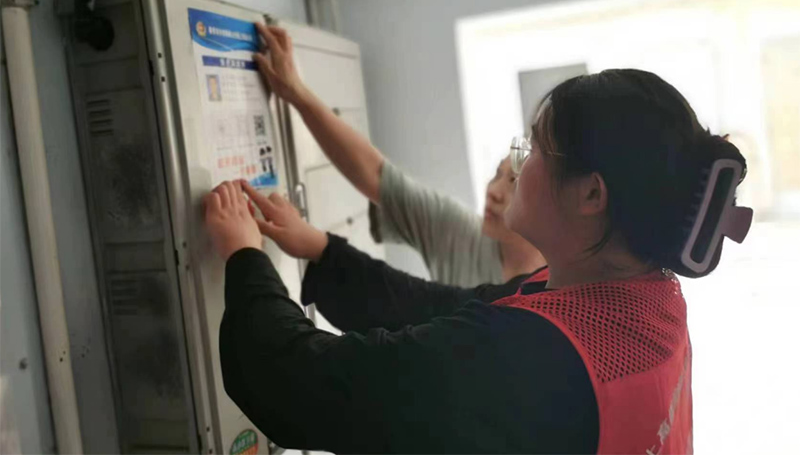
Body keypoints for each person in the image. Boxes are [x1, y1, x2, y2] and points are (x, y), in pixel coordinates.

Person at [207, 69, 751, 453]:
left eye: (534, 149)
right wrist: (325, 252)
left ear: (591, 194)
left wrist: (244, 254)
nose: (517, 166)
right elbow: (441, 307)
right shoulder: (645, 303)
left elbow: (296, 383)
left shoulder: (529, 357)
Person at [253, 23, 545, 286]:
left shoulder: (558, 295)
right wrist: (297, 94)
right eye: (496, 174)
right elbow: (376, 173)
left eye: (513, 183)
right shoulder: (461, 235)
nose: (493, 192)